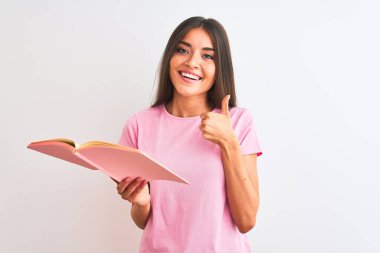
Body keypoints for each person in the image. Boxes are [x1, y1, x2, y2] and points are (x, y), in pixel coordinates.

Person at [116, 16, 263, 252]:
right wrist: (141, 202)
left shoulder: (238, 122)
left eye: (207, 56)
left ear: (219, 68)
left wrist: (229, 143)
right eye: (183, 50)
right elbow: (144, 221)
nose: (192, 62)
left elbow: (246, 221)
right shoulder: (139, 125)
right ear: (169, 59)